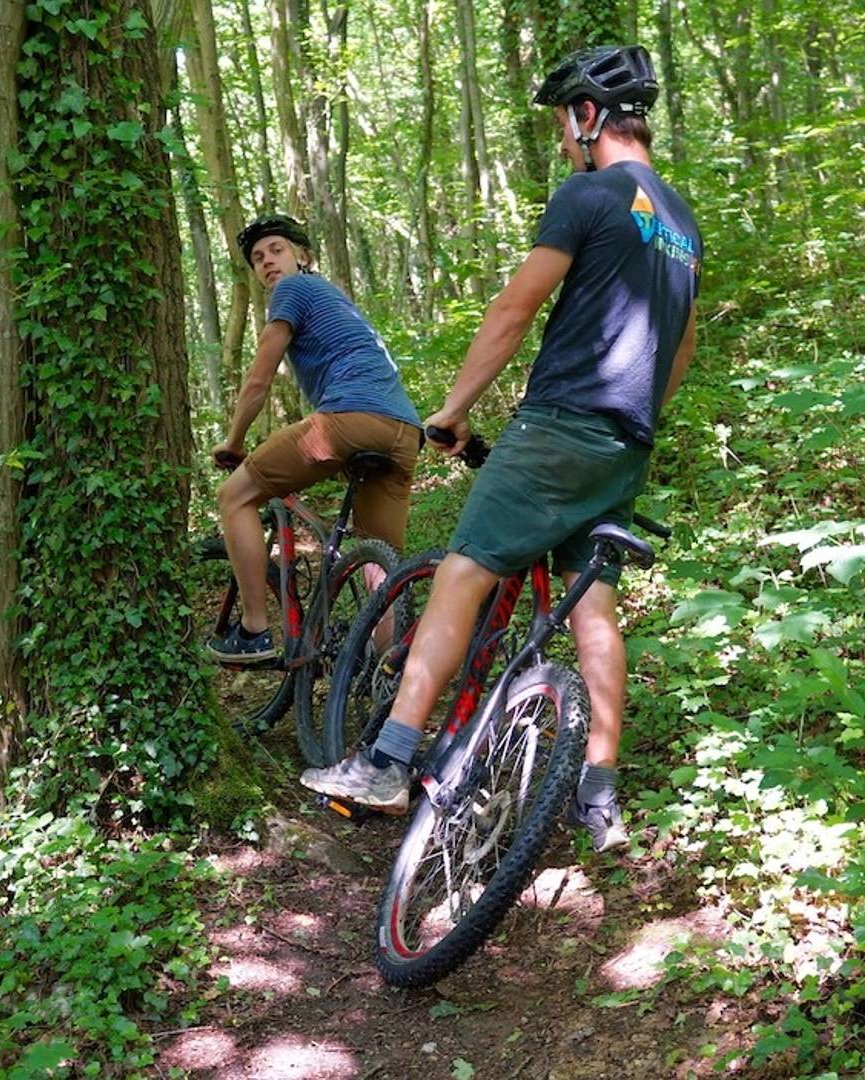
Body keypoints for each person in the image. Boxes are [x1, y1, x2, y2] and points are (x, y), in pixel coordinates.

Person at [299, 45, 703, 853]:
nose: (562, 140)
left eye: (562, 123)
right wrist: (633, 420)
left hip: (559, 425)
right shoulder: (681, 223)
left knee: (464, 569)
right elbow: (681, 346)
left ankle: (387, 760)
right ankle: (600, 794)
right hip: (626, 442)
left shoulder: (590, 193)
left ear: (587, 115)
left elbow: (515, 309)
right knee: (593, 608)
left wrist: (453, 410)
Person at [208, 214, 424, 663]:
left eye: (277, 250)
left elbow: (259, 379)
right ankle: (389, 677)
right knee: (379, 561)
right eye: (258, 258)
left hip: (351, 418)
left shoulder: (293, 289)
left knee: (233, 496)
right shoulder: (336, 300)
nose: (267, 261)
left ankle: (253, 631)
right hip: (405, 432)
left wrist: (233, 442)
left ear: (303, 257)